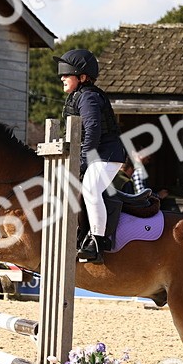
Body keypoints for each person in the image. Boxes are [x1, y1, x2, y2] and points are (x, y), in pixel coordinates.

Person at [57, 49, 127, 263]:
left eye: (67, 74)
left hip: (106, 155)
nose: (62, 78)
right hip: (94, 154)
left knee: (90, 188)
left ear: (82, 77)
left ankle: (96, 242)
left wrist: (83, 162)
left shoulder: (89, 96)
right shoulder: (77, 97)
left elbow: (93, 129)